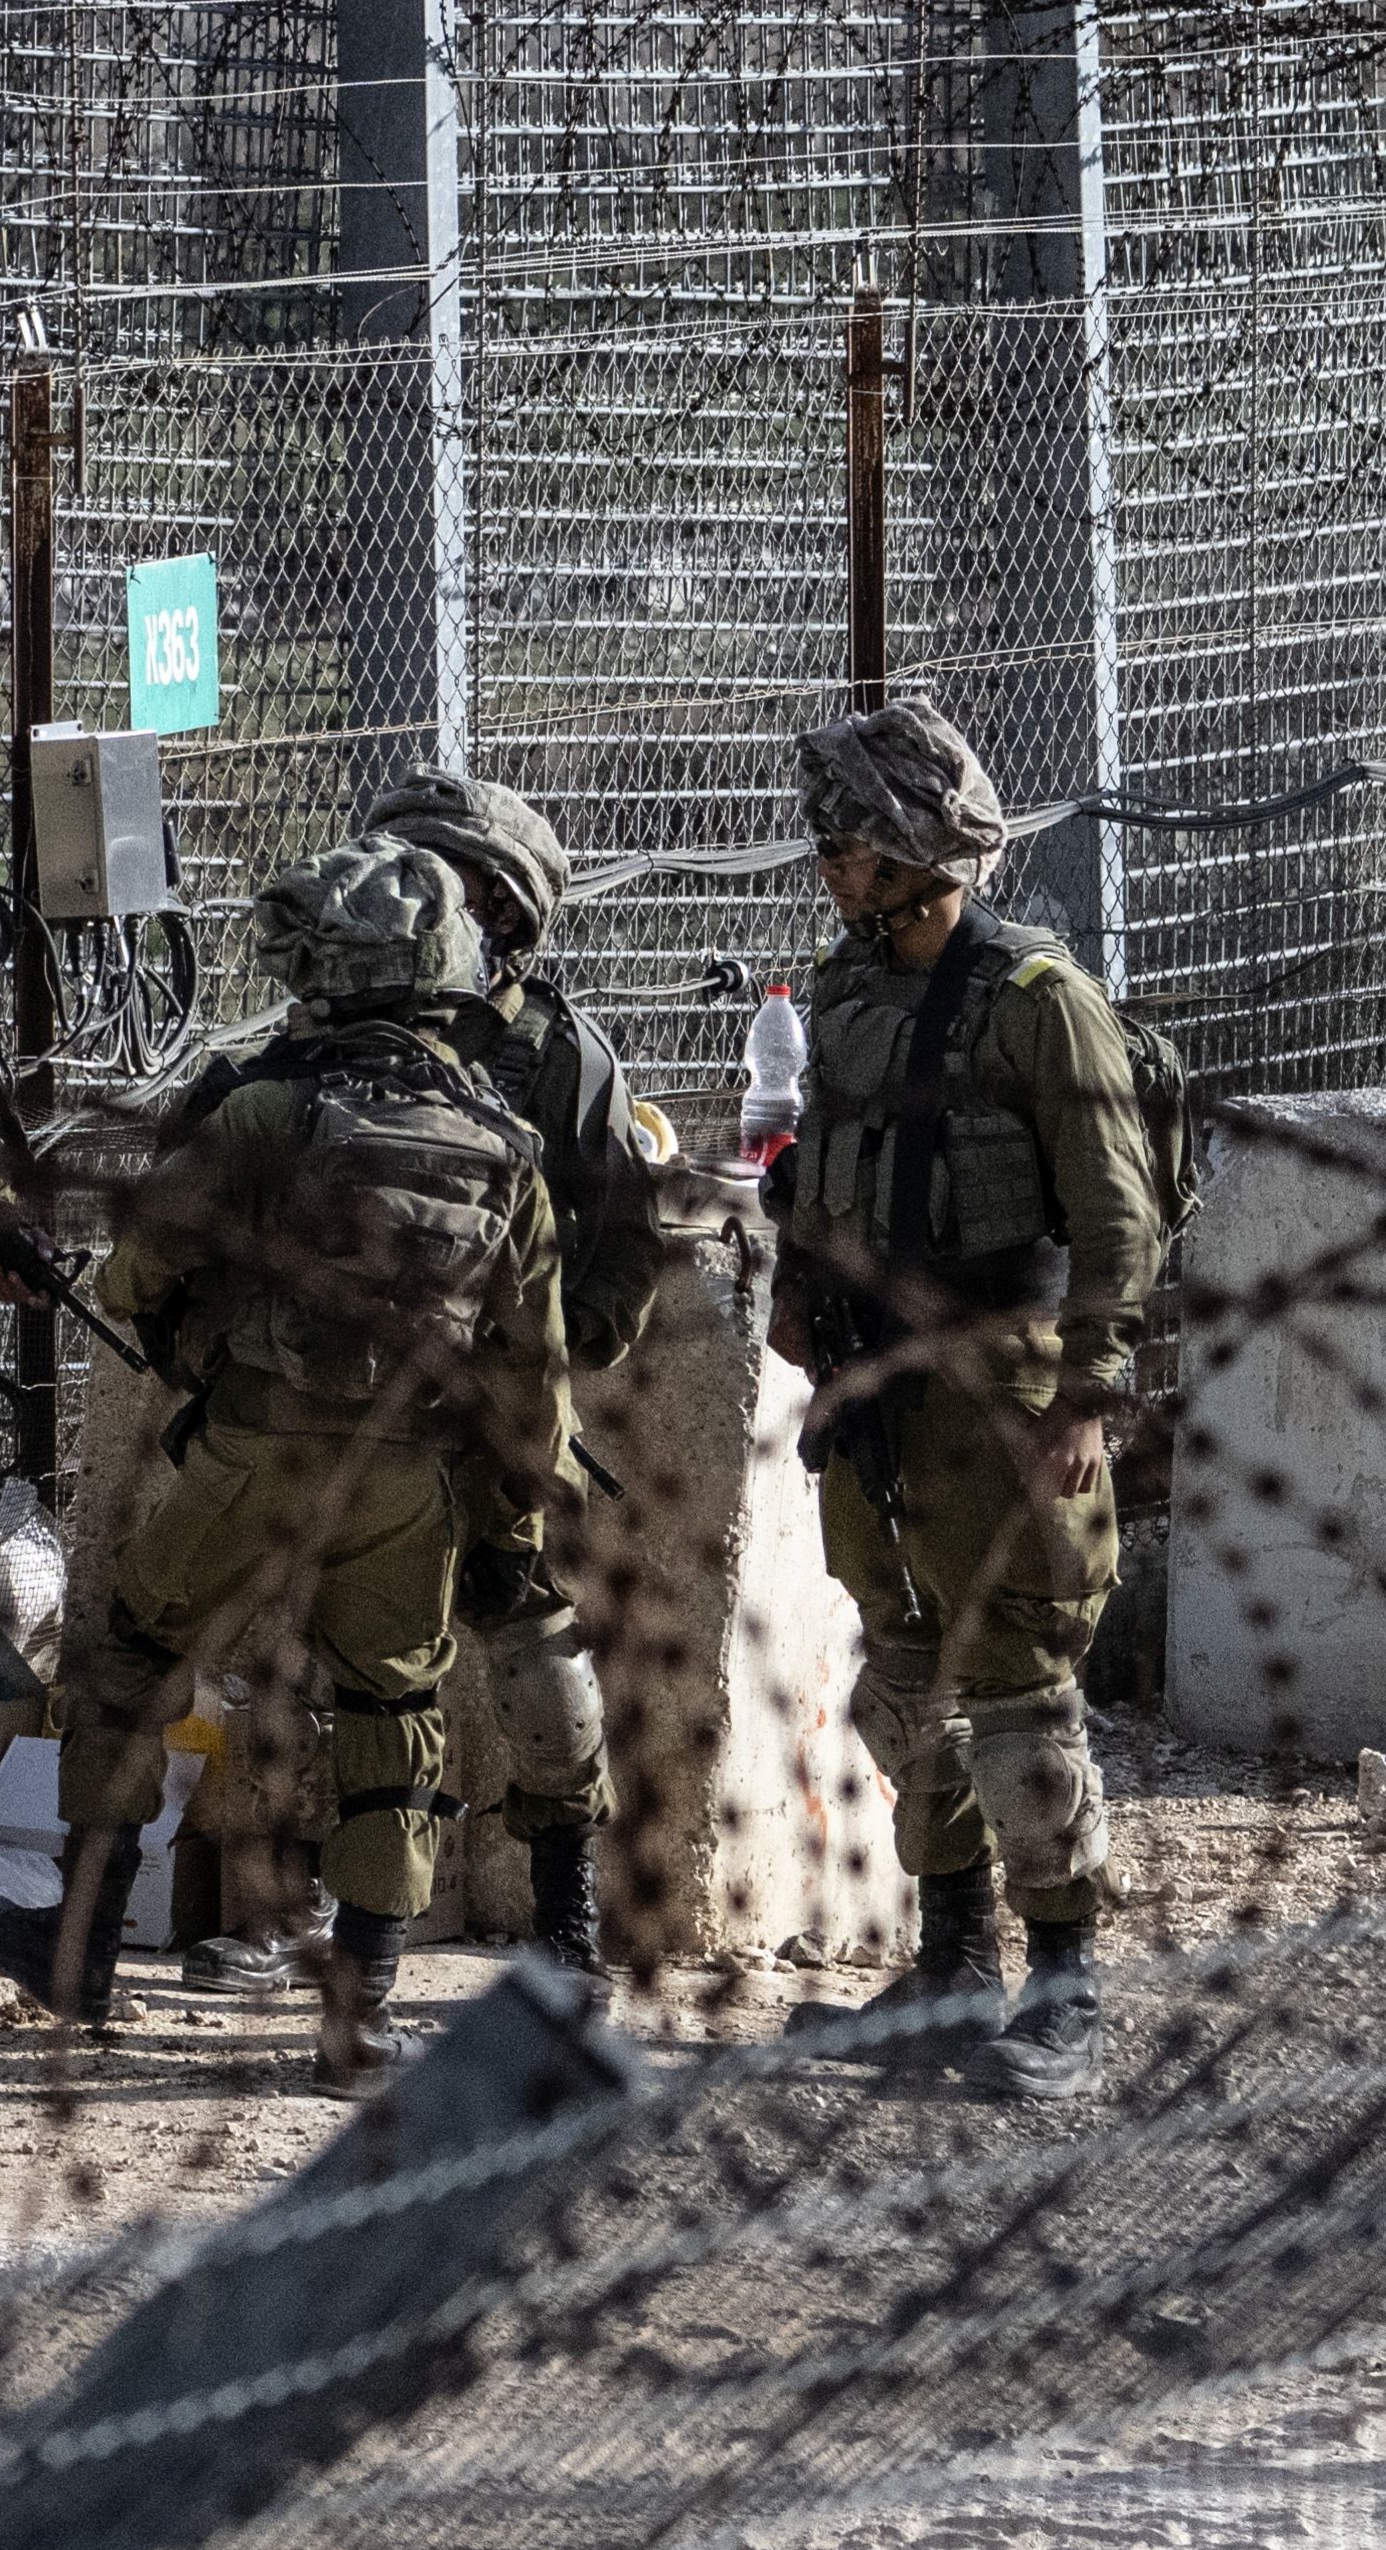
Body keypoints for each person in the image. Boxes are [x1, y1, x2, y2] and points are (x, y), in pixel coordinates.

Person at [0, 839, 569, 2089]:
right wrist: (510, 1515)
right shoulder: (502, 1142)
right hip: (408, 1483)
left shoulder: (266, 1110)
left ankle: (78, 1945)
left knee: (132, 1654)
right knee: (394, 1718)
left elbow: (136, 1272)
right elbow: (534, 1375)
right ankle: (363, 2009)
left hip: (252, 1455)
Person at [767, 693, 1167, 2103]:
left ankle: (1062, 1986)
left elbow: (1117, 1218)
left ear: (914, 848)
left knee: (1014, 1691)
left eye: (849, 841)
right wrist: (794, 1286)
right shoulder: (844, 986)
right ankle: (947, 1962)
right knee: (901, 1676)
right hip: (875, 1389)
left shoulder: (1036, 1002)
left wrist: (1089, 1392)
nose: (827, 863)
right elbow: (819, 1162)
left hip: (1003, 1386)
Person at [355, 762, 678, 1999]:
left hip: (495, 1424)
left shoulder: (552, 1051)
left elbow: (618, 1233)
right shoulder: (354, 1028)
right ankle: (365, 1946)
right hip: (366, 1417)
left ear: (504, 905)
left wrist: (551, 1362)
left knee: (538, 1657)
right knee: (374, 1675)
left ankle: (563, 1931)